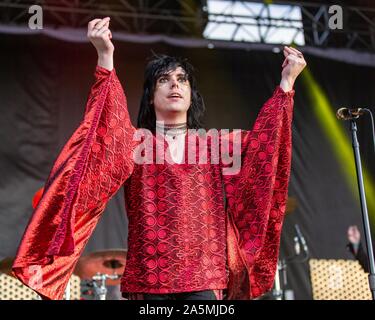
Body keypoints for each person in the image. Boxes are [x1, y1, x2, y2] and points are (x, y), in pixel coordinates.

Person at [12, 17, 307, 300]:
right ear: (151, 96)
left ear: (192, 95)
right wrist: (105, 54)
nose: (175, 85)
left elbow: (266, 145)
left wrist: (286, 83)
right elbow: (104, 123)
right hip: (151, 279)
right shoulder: (134, 142)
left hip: (205, 278)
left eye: (182, 80)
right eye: (164, 80)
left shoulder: (216, 144)